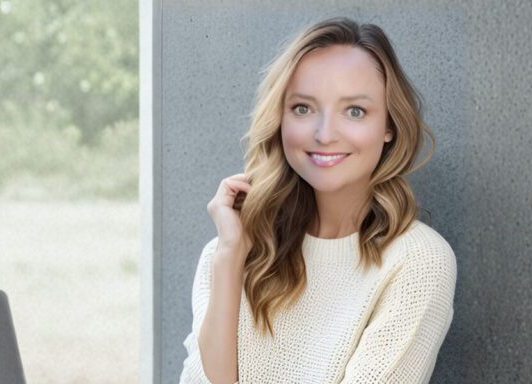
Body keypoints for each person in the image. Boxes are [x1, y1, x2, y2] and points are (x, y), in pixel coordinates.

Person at [179, 17, 457, 384]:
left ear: (389, 125)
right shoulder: (228, 252)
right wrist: (230, 258)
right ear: (279, 119)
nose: (325, 134)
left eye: (355, 111)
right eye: (303, 108)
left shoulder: (417, 261)